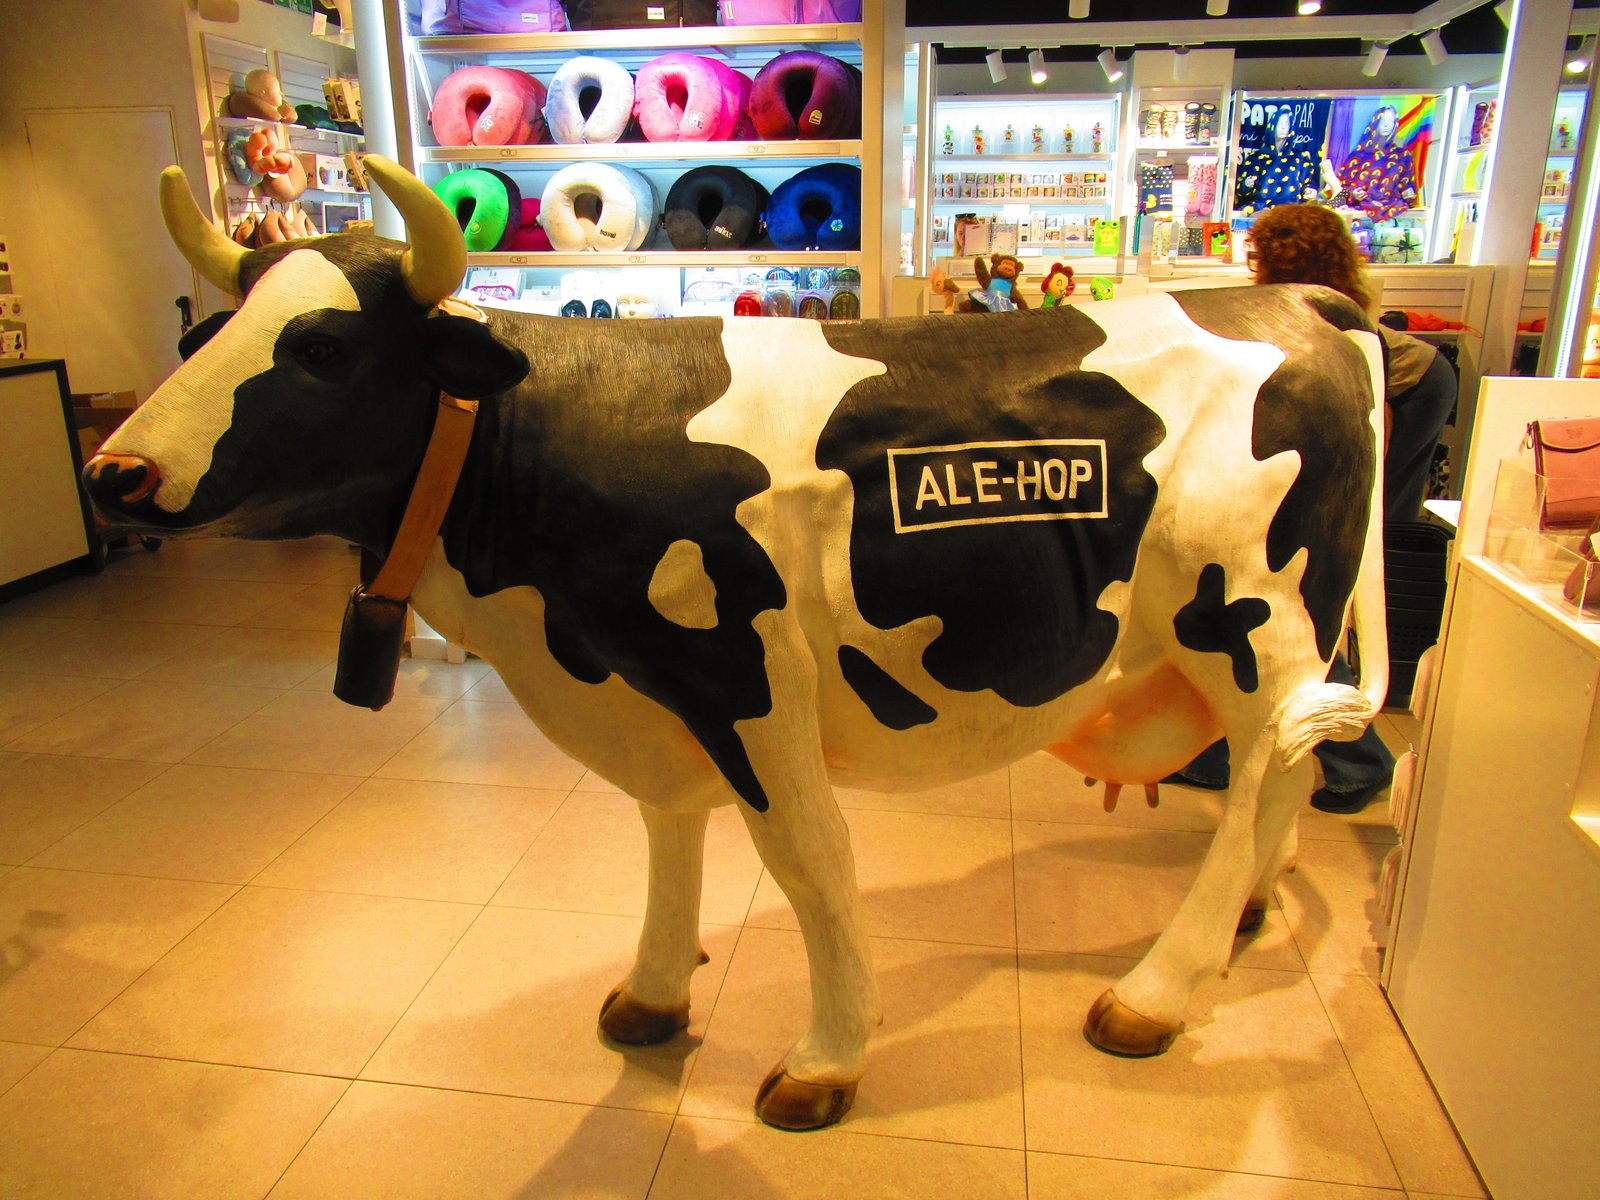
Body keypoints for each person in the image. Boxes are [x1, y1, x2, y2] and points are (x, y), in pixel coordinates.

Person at [1168, 203, 1457, 813]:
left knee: (1331, 580)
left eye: (1258, 255)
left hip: (1410, 394)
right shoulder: (1319, 302)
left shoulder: (1320, 315)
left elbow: (1348, 396)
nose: (1251, 266)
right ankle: (1225, 752)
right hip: (1405, 389)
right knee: (1302, 589)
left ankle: (1357, 760)